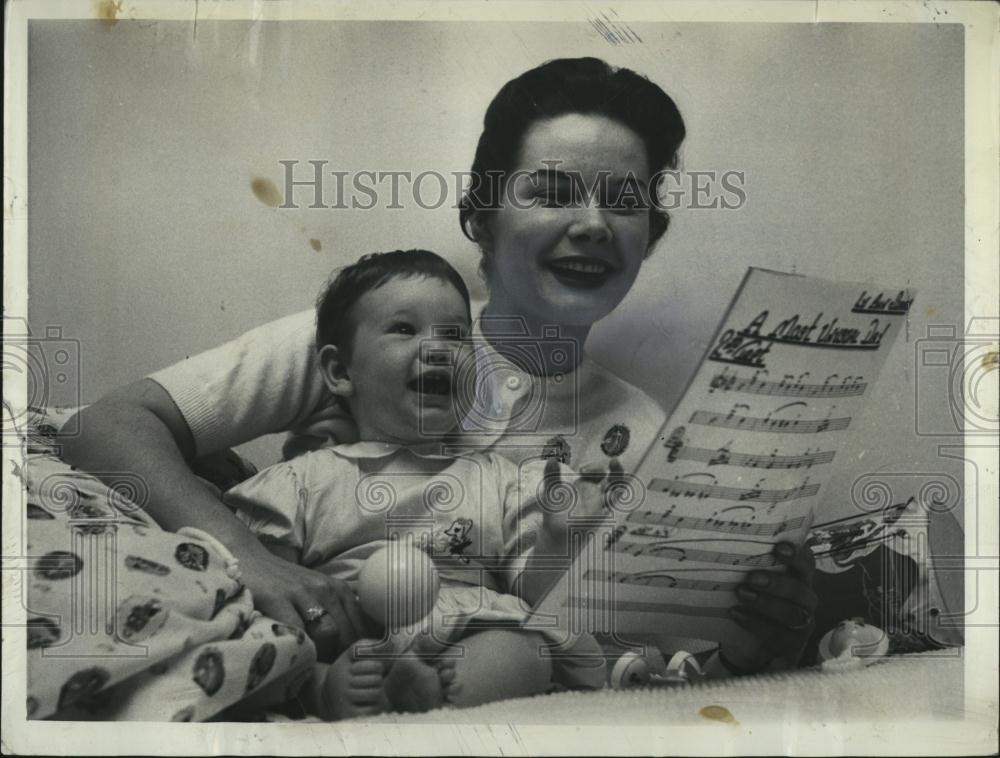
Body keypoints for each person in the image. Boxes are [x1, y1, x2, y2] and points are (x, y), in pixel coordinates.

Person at [61, 57, 816, 678]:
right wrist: (251, 558)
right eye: (552, 193)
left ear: (648, 235)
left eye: (624, 203)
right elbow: (105, 426)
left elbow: (643, 652)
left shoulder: (641, 433)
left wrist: (764, 621)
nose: (592, 225)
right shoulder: (380, 336)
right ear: (482, 218)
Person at [222, 249, 610, 719]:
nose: (438, 349)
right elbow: (267, 590)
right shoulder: (302, 480)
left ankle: (424, 698)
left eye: (456, 335)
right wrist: (317, 671)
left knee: (526, 649)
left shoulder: (500, 479)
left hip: (469, 632)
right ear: (341, 372)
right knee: (278, 649)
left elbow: (535, 596)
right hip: (353, 637)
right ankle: (331, 690)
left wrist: (557, 538)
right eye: (405, 329)